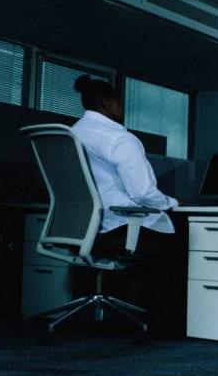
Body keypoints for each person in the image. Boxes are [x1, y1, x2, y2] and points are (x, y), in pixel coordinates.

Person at [68, 75, 184, 336]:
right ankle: (161, 325)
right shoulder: (120, 139)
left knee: (157, 247)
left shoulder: (71, 135)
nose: (124, 109)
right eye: (120, 103)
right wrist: (174, 202)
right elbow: (143, 193)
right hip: (118, 227)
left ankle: (126, 315)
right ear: (107, 104)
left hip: (82, 228)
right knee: (183, 243)